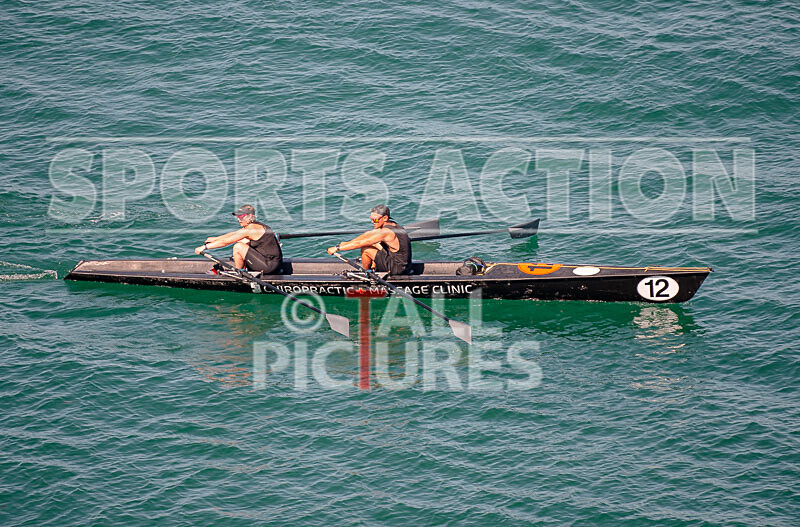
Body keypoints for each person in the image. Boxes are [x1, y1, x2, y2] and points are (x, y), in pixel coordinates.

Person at [194, 204, 283, 274]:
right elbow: (234, 234)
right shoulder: (256, 225)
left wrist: (204, 247)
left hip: (269, 266)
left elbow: (226, 242)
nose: (239, 219)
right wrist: (216, 239)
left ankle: (239, 272)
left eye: (241, 217)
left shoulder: (251, 229)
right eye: (238, 217)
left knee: (238, 247)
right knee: (243, 241)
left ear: (250, 216)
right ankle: (242, 269)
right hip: (274, 264)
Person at [327, 204, 412, 275]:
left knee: (365, 249)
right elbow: (368, 234)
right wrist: (347, 243)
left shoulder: (385, 232)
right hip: (403, 265)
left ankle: (367, 273)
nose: (372, 222)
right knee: (374, 243)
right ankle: (374, 267)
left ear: (385, 218)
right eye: (371, 219)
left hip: (397, 269)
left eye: (375, 220)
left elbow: (361, 243)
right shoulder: (394, 225)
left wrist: (337, 248)